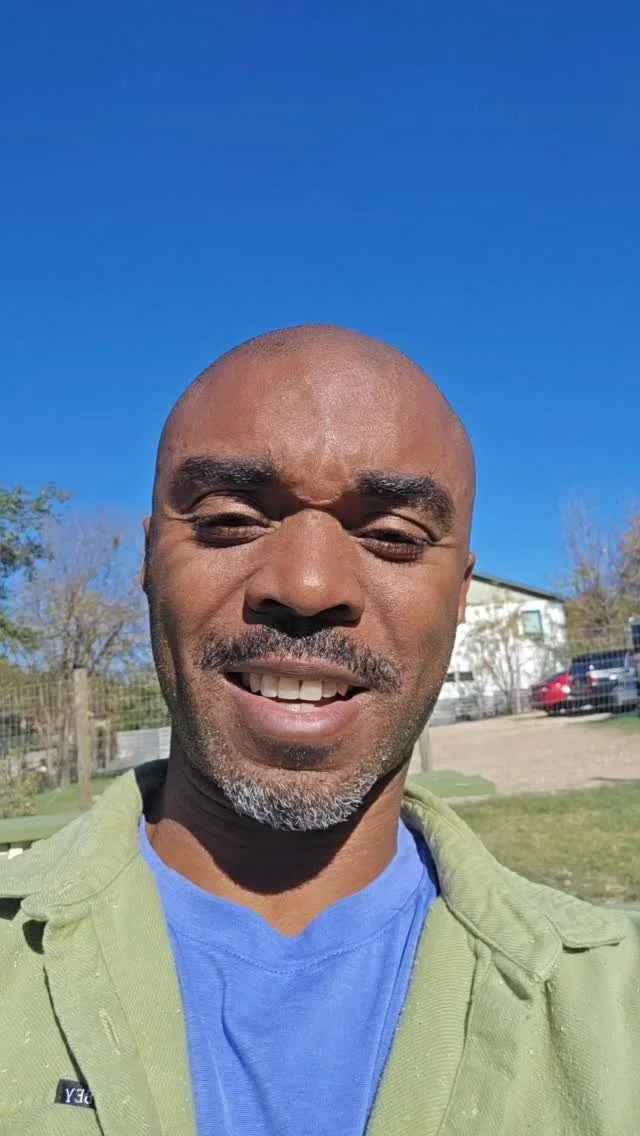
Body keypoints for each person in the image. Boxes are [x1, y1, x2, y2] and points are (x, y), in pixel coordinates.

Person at [0, 325, 638, 1136]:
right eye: (230, 520)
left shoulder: (613, 1011)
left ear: (459, 597)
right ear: (150, 564)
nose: (307, 586)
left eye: (393, 537)